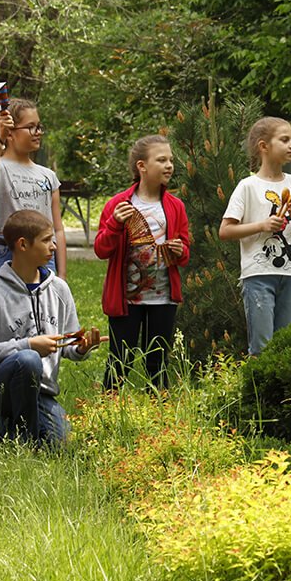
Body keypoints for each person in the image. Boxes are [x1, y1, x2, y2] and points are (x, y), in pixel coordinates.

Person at [0, 210, 103, 444]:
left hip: (40, 390)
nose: (54, 245)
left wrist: (81, 348)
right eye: (47, 240)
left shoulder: (59, 290)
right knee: (28, 359)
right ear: (23, 245)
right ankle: (24, 442)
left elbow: (67, 346)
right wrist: (27, 345)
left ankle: (5, 427)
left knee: (61, 443)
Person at [94, 135, 190, 390]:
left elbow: (185, 254)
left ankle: (160, 415)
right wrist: (115, 223)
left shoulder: (176, 206)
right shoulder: (119, 204)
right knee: (120, 361)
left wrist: (179, 250)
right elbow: (101, 249)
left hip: (163, 298)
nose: (169, 165)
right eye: (161, 160)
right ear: (142, 166)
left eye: (170, 159)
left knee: (157, 361)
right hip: (126, 299)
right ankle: (109, 411)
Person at [219, 116, 291, 355]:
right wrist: (262, 225)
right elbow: (225, 230)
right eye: (284, 140)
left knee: (283, 347)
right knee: (261, 348)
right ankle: (258, 392)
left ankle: (280, 394)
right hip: (258, 276)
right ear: (264, 146)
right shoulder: (247, 186)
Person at [0, 98, 67, 284]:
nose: (38, 132)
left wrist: (62, 275)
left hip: (43, 254)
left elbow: (57, 229)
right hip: (4, 252)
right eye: (31, 127)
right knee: (1, 308)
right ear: (10, 133)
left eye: (39, 126)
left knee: (42, 310)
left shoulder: (48, 176)